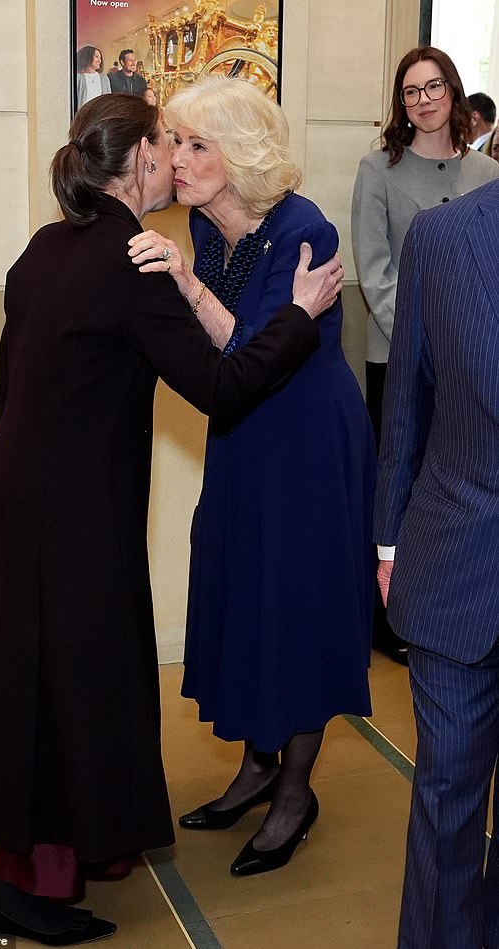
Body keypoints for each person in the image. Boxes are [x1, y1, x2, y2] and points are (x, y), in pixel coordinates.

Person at [0, 94, 343, 943]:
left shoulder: (45, 247)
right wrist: (300, 317)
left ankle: (59, 860)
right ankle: (23, 890)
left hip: (10, 497)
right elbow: (221, 387)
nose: (176, 159)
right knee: (70, 690)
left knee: (39, 689)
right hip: (72, 518)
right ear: (139, 160)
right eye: (166, 144)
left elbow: (18, 383)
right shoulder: (129, 259)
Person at [129, 77, 375, 877]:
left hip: (305, 438)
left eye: (198, 145)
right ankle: (257, 766)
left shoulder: (307, 228)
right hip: (244, 433)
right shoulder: (207, 223)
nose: (179, 159)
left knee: (297, 604)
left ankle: (296, 791)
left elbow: (252, 351)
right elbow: (223, 361)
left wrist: (183, 280)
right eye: (178, 141)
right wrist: (185, 274)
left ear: (239, 155)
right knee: (245, 592)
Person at [374, 178, 499, 949]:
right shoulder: (443, 238)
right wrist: (388, 542)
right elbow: (406, 401)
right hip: (456, 564)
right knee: (447, 792)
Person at [351, 46, 499, 665]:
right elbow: (375, 269)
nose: (424, 100)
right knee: (405, 484)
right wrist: (424, 343)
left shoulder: (485, 174)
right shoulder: (378, 170)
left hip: (476, 372)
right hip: (401, 361)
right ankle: (397, 617)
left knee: (462, 491)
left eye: (434, 87)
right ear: (400, 104)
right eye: (411, 92)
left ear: (454, 92)